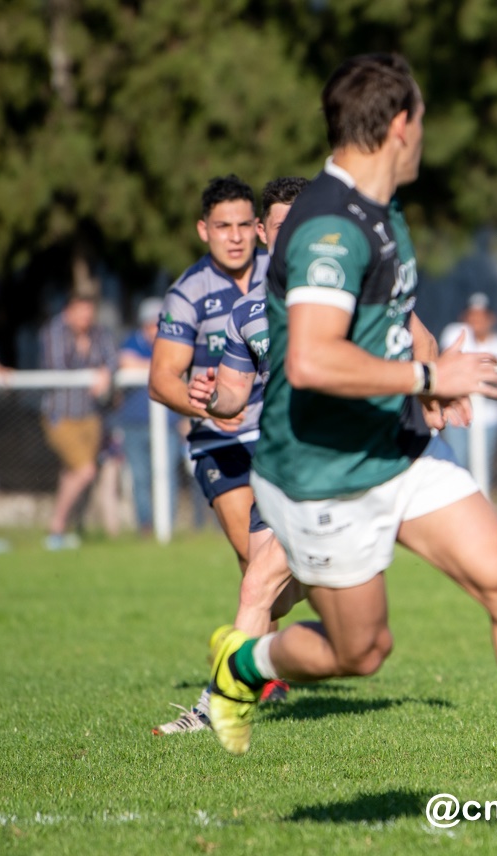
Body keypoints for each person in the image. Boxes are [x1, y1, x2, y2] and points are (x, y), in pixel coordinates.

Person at [204, 53, 497, 828]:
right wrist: (426, 381)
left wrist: (430, 378)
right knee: (360, 653)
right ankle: (243, 663)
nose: (425, 134)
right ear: (399, 124)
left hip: (396, 449)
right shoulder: (330, 228)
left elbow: (391, 325)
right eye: (423, 119)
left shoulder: (384, 212)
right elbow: (309, 358)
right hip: (322, 471)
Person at [148, 174, 269, 735]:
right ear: (204, 230)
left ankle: (257, 660)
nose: (237, 236)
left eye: (246, 224)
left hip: (278, 439)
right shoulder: (189, 292)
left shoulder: (281, 276)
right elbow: (161, 379)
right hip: (221, 442)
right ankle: (243, 675)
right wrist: (209, 408)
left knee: (278, 579)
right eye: (224, 226)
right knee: (257, 561)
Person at [187, 176, 311, 707]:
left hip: (332, 467)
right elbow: (233, 399)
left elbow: (410, 340)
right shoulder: (249, 314)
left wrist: (431, 384)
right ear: (265, 233)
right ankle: (255, 672)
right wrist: (209, 395)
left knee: (258, 586)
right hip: (276, 466)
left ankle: (217, 704)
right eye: (283, 227)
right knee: (274, 595)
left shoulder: (352, 297)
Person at [39, 290, 118, 550]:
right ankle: (57, 524)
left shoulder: (99, 333)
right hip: (60, 415)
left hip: (91, 414)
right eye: (80, 311)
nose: (86, 317)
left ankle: (59, 533)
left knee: (73, 472)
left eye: (89, 311)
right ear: (67, 312)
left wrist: (106, 371)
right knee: (85, 471)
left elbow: (112, 358)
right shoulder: (54, 332)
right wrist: (93, 364)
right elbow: (59, 365)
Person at [116, 296, 181, 534]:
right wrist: (159, 368)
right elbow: (124, 362)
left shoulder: (175, 343)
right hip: (134, 425)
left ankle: (167, 528)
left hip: (169, 425)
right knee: (140, 478)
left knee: (167, 477)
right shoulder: (130, 342)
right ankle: (145, 526)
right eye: (151, 323)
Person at [438, 292, 497, 475]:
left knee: (481, 467)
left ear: (491, 318)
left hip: (489, 416)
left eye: (481, 316)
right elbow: (447, 369)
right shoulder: (455, 334)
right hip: (456, 413)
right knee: (455, 464)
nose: (476, 320)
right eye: (472, 315)